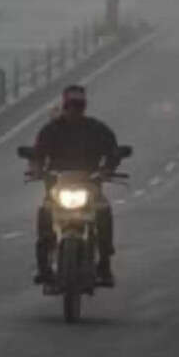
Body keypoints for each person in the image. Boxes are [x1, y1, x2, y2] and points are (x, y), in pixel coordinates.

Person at [28, 85, 121, 286]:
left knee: (103, 212)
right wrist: (36, 168)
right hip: (57, 187)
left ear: (84, 107)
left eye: (78, 106)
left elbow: (113, 151)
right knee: (45, 214)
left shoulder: (97, 129)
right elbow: (37, 154)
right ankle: (43, 266)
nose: (74, 110)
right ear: (65, 106)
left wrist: (108, 168)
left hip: (90, 186)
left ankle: (104, 263)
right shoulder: (51, 130)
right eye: (71, 106)